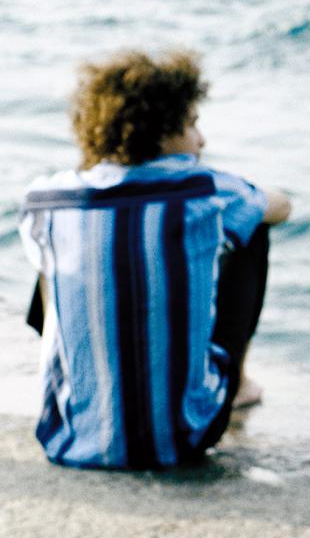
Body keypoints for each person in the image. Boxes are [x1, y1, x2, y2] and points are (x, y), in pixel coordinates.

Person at [18, 48, 291, 468]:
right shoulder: (208, 192)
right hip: (183, 438)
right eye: (192, 124)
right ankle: (235, 385)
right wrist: (244, 203)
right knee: (251, 226)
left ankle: (89, 384)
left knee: (58, 247)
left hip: (68, 440)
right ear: (163, 133)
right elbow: (281, 207)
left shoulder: (45, 199)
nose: (202, 140)